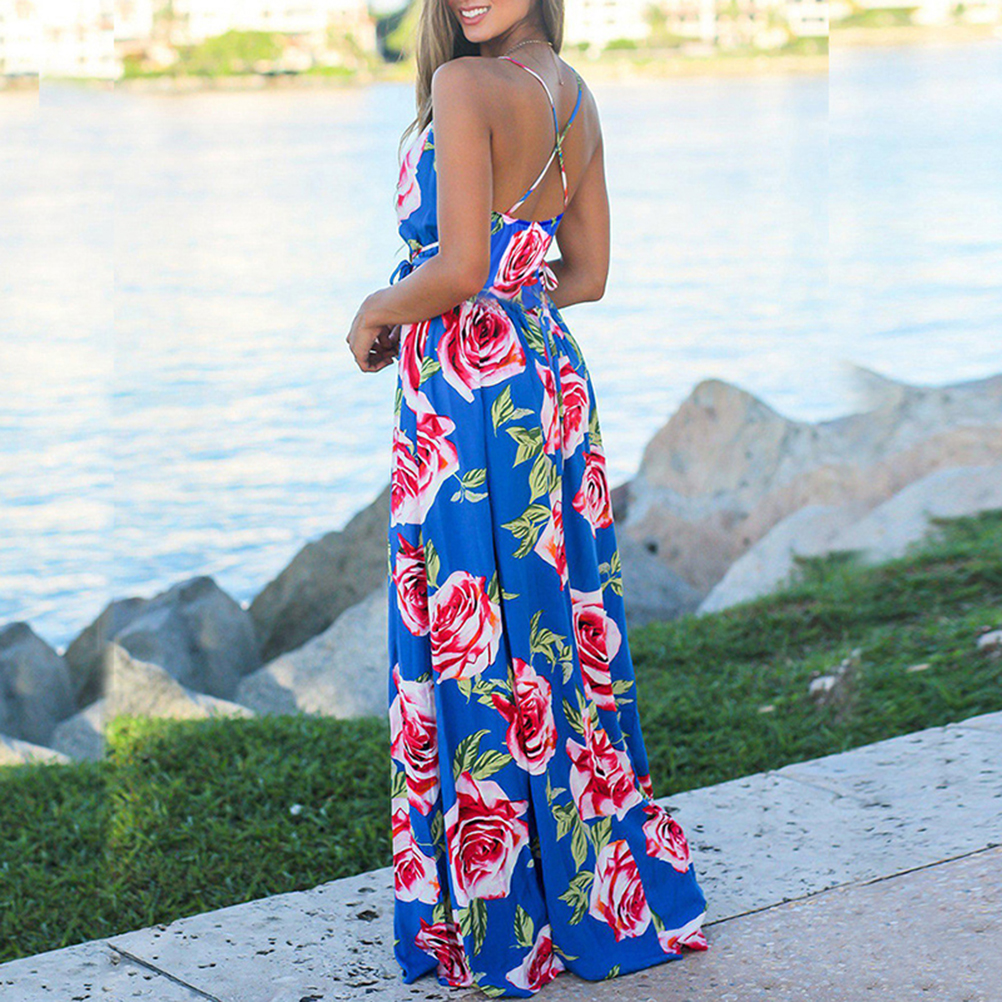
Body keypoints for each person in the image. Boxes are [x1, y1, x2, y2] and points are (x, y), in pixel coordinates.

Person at [346, 0, 709, 995]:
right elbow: (587, 275)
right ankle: (582, 885)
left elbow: (460, 268)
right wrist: (510, 289)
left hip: (469, 393)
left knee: (473, 628)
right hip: (545, 378)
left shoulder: (464, 85)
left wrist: (379, 307)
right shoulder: (574, 96)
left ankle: (502, 916)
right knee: (554, 627)